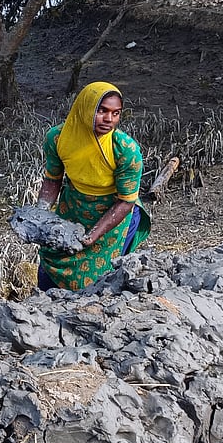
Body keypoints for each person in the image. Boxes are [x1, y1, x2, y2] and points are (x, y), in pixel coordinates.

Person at [35, 81, 152, 290]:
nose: (109, 119)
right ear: (85, 108)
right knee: (51, 262)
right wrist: (40, 214)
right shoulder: (58, 138)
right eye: (102, 111)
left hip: (113, 216)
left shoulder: (125, 150)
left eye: (116, 113)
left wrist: (92, 236)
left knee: (98, 280)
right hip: (73, 206)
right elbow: (53, 178)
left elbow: (126, 202)